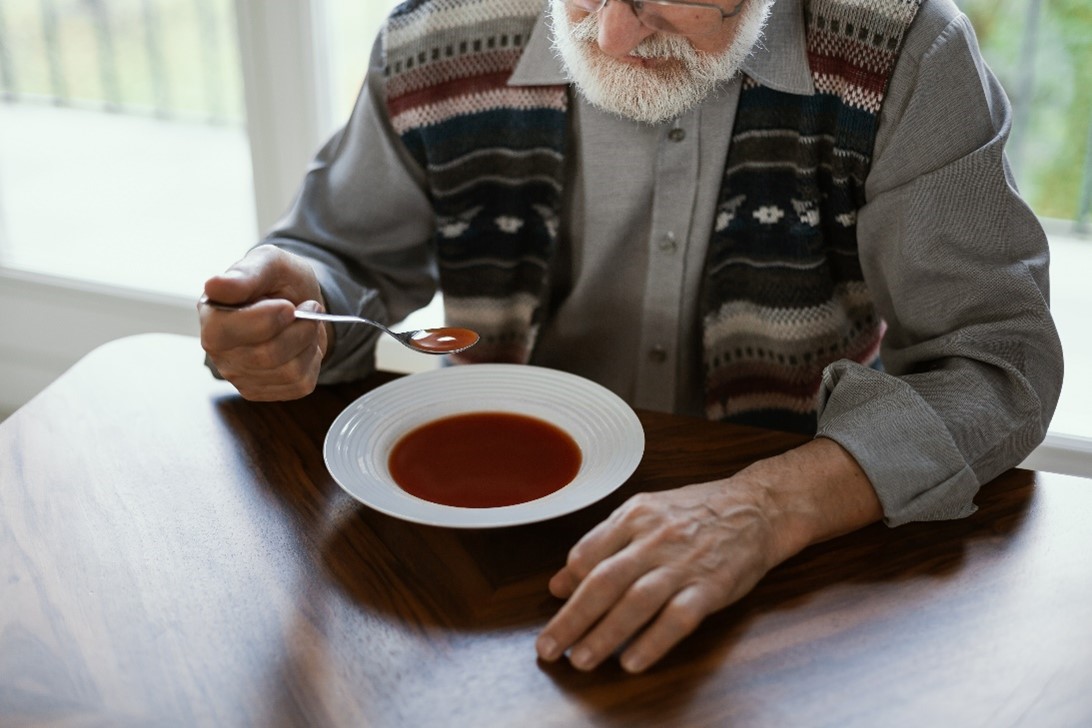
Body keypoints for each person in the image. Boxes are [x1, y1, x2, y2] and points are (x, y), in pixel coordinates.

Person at [199, 0, 1063, 674]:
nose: (611, 32)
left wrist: (766, 507)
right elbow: (337, 253)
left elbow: (996, 364)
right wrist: (298, 300)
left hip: (792, 568)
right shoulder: (436, 34)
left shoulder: (907, 54)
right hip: (490, 551)